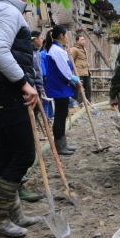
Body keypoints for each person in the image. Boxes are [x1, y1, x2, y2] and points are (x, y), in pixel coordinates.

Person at [0, 0, 42, 238]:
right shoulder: (8, 12)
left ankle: (12, 213)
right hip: (8, 93)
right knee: (24, 154)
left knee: (7, 154)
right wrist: (24, 84)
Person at [44, 24, 80, 155]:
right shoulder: (56, 50)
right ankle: (60, 146)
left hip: (60, 87)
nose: (68, 37)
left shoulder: (58, 49)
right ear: (61, 35)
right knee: (59, 117)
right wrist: (75, 80)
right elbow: (64, 72)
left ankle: (63, 143)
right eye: (67, 35)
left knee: (62, 115)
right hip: (59, 87)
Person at [71, 35, 92, 106]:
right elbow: (71, 60)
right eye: (81, 40)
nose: (84, 41)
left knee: (88, 86)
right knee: (80, 87)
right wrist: (72, 70)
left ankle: (89, 100)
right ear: (77, 41)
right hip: (79, 71)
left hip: (86, 71)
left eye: (84, 40)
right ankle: (80, 102)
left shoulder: (84, 49)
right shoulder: (74, 49)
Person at [30, 31, 44, 95]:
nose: (42, 40)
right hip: (33, 85)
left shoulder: (37, 52)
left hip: (39, 85)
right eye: (41, 38)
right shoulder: (29, 51)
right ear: (35, 39)